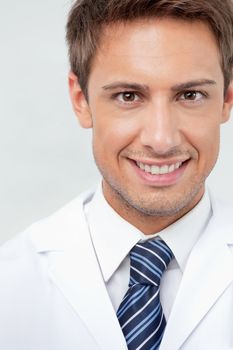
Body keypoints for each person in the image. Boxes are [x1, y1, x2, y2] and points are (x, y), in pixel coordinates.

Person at [1, 0, 233, 349]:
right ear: (81, 100)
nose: (161, 139)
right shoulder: (10, 285)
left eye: (190, 95)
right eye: (128, 96)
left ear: (227, 100)